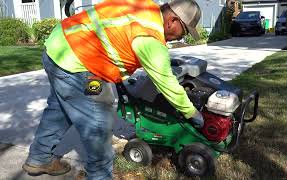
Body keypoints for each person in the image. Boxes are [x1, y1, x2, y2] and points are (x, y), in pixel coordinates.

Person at [22, 0, 204, 179]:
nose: (182, 37)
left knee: (59, 110)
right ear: (172, 20)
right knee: (98, 127)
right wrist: (190, 111)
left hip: (58, 46)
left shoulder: (143, 7)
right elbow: (166, 83)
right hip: (79, 63)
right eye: (185, 31)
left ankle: (39, 158)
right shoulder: (149, 37)